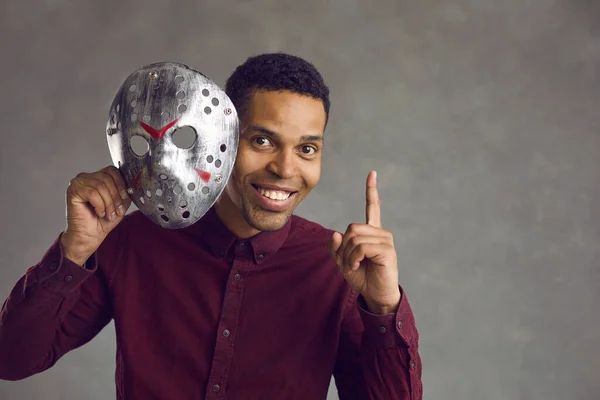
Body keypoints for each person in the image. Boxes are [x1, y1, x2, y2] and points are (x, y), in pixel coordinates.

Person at [0, 53, 422, 400]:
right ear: (219, 137)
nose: (285, 168)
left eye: (307, 148)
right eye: (262, 141)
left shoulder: (339, 270)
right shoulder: (133, 242)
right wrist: (74, 252)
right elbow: (11, 360)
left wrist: (384, 306)